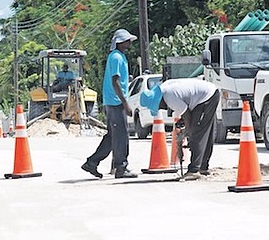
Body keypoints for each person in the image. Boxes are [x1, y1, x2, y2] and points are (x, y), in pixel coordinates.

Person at [81, 29, 138, 179]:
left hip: (113, 100)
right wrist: (125, 103)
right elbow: (115, 81)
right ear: (120, 42)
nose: (130, 42)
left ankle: (92, 163)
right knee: (121, 136)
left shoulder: (119, 56)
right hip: (116, 101)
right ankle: (121, 167)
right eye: (127, 40)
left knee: (113, 136)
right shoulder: (117, 57)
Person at [140, 78, 220, 180]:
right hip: (205, 95)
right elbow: (187, 106)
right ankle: (202, 167)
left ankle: (194, 170)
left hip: (207, 97)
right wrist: (184, 122)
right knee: (204, 133)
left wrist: (188, 132)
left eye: (159, 106)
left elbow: (187, 114)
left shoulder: (169, 97)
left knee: (197, 134)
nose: (161, 108)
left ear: (159, 101)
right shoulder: (165, 88)